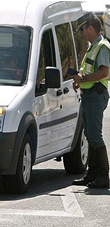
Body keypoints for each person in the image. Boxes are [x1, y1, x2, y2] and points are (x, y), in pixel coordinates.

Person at [72, 12, 110, 189]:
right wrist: (78, 78)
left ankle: (103, 175)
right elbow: (86, 70)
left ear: (91, 28)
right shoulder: (92, 46)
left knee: (95, 136)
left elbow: (104, 72)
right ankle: (93, 174)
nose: (80, 32)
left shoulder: (102, 46)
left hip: (96, 94)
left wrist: (84, 80)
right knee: (89, 135)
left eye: (82, 29)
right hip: (88, 96)